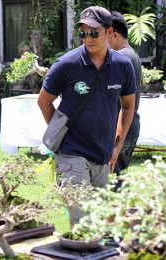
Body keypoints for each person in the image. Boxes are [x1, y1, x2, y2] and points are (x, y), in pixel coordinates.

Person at [37, 6, 136, 225]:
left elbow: (128, 106)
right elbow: (44, 101)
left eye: (94, 32)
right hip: (72, 154)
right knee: (83, 223)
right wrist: (61, 133)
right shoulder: (66, 64)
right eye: (83, 33)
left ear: (110, 33)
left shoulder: (123, 65)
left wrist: (117, 145)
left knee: (99, 222)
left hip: (103, 154)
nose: (88, 38)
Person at [108, 11, 142, 191]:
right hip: (128, 127)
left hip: (123, 128)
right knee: (119, 182)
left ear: (114, 34)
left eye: (103, 34)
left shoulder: (123, 58)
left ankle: (120, 218)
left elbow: (128, 104)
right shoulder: (131, 55)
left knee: (115, 184)